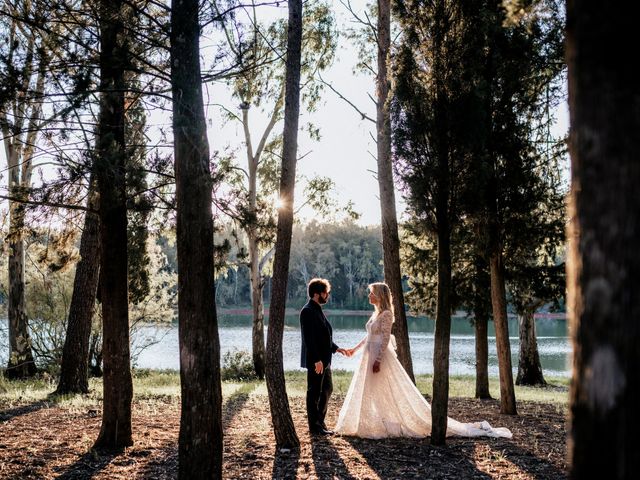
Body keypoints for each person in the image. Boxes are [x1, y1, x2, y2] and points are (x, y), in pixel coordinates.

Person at [336, 282, 512, 439]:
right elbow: (369, 337)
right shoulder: (376, 314)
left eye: (372, 293)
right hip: (368, 356)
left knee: (382, 390)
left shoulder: (387, 314)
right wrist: (354, 350)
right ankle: (370, 423)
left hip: (378, 358)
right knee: (369, 390)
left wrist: (378, 360)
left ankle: (386, 424)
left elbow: (385, 339)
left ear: (380, 295)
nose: (369, 296)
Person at [300, 278, 347, 435]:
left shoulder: (317, 309)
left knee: (327, 388)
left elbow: (323, 336)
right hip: (317, 360)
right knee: (314, 392)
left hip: (325, 360)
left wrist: (337, 348)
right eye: (325, 293)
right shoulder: (307, 311)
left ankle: (320, 422)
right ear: (316, 294)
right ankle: (314, 427)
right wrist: (316, 360)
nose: (327, 295)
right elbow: (309, 339)